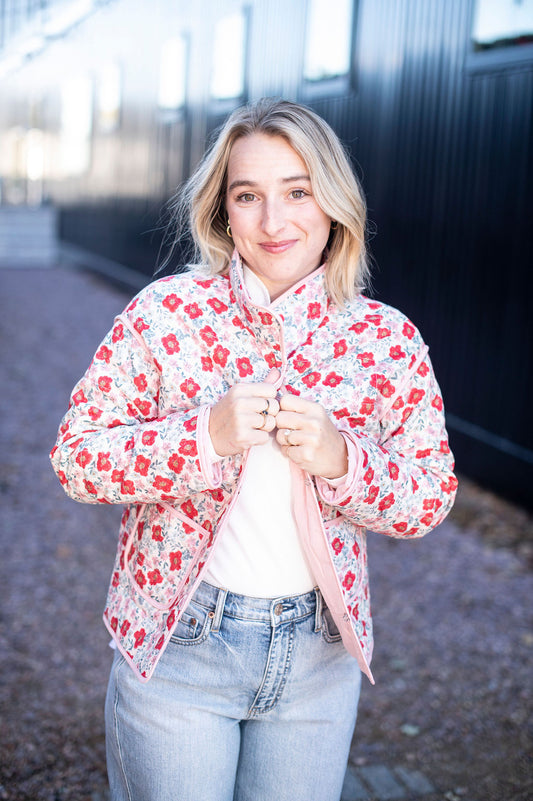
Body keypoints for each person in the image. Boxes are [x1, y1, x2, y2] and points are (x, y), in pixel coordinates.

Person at [50, 98, 457, 801]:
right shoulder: (164, 315)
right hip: (180, 647)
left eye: (297, 191)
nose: (274, 222)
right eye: (248, 196)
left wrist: (342, 458)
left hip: (319, 656)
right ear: (222, 210)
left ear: (331, 201)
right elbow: (77, 457)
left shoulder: (385, 339)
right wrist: (202, 435)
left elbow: (428, 497)